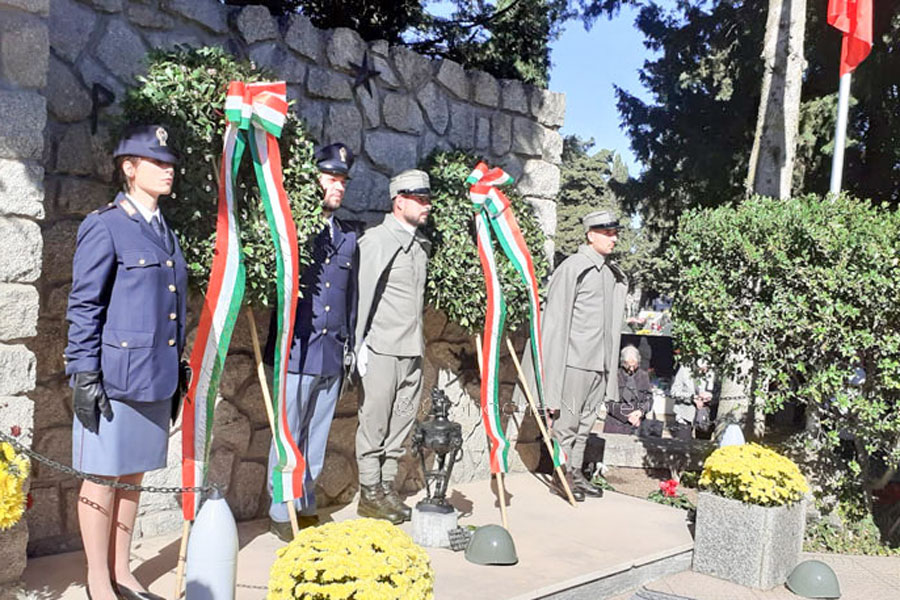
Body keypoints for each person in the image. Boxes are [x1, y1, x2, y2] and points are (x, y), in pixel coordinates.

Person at [65, 125, 188, 600]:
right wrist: (84, 372)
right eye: (156, 163)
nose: (168, 169)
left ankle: (122, 572)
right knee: (100, 478)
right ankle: (98, 578)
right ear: (129, 168)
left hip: (154, 378)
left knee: (133, 477)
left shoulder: (163, 230)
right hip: (113, 379)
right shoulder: (106, 225)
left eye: (170, 163)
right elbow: (84, 306)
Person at [262, 143, 359, 542]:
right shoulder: (292, 229)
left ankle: (305, 501)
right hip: (296, 350)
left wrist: (351, 342)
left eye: (342, 180)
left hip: (330, 353)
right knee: (288, 435)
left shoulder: (349, 237)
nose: (338, 186)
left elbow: (349, 296)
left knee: (316, 437)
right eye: (331, 177)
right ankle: (279, 508)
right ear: (314, 179)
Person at [353, 169, 432, 524]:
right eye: (420, 199)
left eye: (427, 199)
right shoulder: (377, 241)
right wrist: (358, 346)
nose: (426, 205)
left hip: (410, 351)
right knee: (374, 423)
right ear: (399, 202)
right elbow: (361, 297)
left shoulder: (419, 247)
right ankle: (369, 493)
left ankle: (385, 489)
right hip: (382, 348)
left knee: (400, 425)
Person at [541, 210, 628, 500]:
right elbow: (555, 321)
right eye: (607, 233)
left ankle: (576, 471)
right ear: (590, 235)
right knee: (567, 423)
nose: (613, 238)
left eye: (615, 233)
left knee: (586, 423)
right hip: (575, 360)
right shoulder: (575, 267)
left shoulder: (610, 273)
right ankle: (560, 475)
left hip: (599, 362)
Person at [604, 345, 652, 434]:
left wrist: (641, 411)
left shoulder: (643, 376)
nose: (631, 369)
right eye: (628, 365)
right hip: (615, 424)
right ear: (622, 362)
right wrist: (627, 417)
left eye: (634, 365)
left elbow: (649, 399)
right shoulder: (615, 376)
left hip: (637, 425)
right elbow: (608, 402)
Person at [670, 360, 718, 439]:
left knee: (702, 446)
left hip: (705, 416)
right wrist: (692, 398)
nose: (704, 370)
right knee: (682, 445)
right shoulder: (685, 368)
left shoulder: (715, 371)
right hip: (685, 414)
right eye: (701, 369)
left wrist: (711, 397)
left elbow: (720, 393)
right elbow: (674, 391)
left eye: (707, 368)